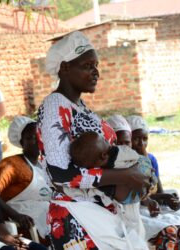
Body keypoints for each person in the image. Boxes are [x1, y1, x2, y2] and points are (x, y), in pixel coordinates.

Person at [37, 31, 152, 249]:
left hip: (98, 211)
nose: (96, 72)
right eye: (87, 65)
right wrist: (126, 175)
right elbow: (61, 173)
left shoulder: (81, 108)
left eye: (96, 65)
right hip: (76, 216)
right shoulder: (55, 106)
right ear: (64, 68)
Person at [126, 115, 180, 249]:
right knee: (169, 231)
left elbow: (159, 191)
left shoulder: (151, 159)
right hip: (136, 211)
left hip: (153, 207)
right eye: (135, 139)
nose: (141, 144)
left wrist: (169, 199)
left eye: (145, 139)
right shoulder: (125, 163)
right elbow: (134, 197)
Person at [0, 116, 52, 240]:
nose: (36, 140)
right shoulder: (10, 165)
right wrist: (16, 215)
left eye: (38, 135)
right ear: (21, 142)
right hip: (21, 223)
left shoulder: (44, 165)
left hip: (46, 213)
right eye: (30, 138)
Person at [69, 131, 157, 205]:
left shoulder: (96, 175)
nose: (107, 140)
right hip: (141, 182)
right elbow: (137, 158)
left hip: (127, 198)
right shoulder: (116, 153)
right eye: (104, 140)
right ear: (103, 155)